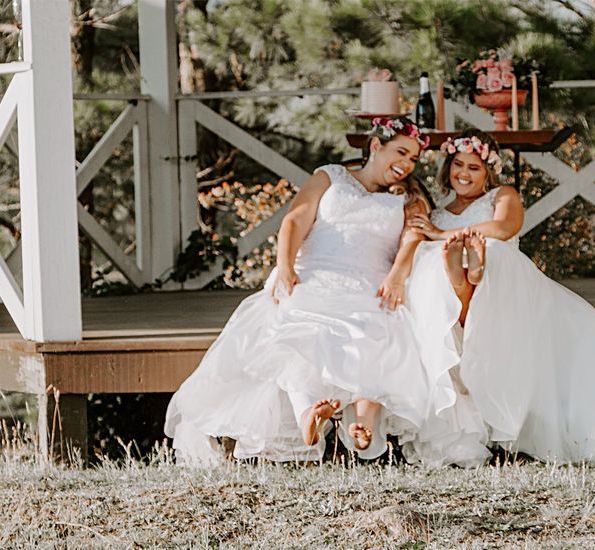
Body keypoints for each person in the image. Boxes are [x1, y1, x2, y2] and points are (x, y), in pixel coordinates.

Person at [400, 128, 595, 467]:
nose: (463, 174)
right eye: (458, 165)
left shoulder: (502, 195)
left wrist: (441, 235)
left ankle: (471, 274)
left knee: (490, 253)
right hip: (454, 287)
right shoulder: (437, 210)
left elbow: (503, 229)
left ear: (489, 171)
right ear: (447, 167)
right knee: (435, 265)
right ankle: (463, 277)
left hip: (504, 285)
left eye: (473, 168)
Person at [164, 117, 445, 465]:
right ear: (375, 146)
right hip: (314, 275)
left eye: (414, 158)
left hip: (370, 284)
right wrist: (285, 266)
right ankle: (306, 418)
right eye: (401, 152)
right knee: (296, 336)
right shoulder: (330, 176)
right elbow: (295, 219)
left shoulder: (408, 197)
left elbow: (413, 237)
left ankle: (363, 427)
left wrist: (399, 274)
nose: (407, 164)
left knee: (377, 335)